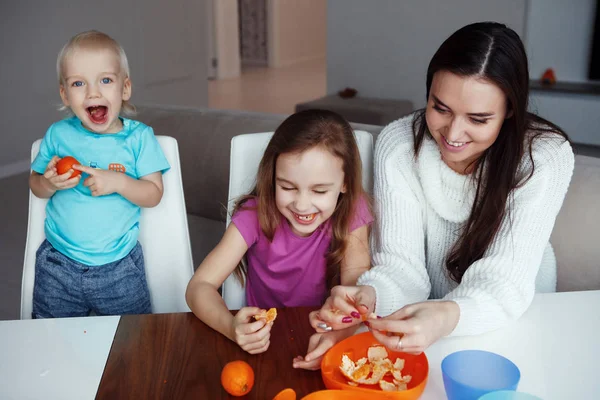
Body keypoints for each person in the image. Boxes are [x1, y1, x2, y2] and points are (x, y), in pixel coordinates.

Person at [312, 22, 574, 354]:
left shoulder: (544, 156)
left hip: (516, 320)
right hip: (430, 322)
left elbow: (505, 282)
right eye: (440, 109)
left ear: (509, 110)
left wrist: (447, 316)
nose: (453, 133)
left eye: (478, 119)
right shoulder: (400, 145)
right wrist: (370, 294)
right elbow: (401, 268)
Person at [185, 110, 373, 365]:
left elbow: (354, 291)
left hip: (326, 335)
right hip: (264, 342)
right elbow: (199, 287)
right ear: (272, 177)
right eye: (287, 187)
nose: (302, 205)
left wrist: (337, 333)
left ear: (345, 184)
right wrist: (232, 327)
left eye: (319, 190)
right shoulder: (254, 215)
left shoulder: (353, 210)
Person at [29, 30, 170, 318]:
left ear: (125, 88)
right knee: (51, 339)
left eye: (106, 80)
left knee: (133, 341)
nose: (93, 93)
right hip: (57, 264)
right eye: (79, 83)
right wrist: (48, 182)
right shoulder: (58, 134)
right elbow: (35, 186)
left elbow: (154, 193)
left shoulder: (139, 138)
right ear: (65, 94)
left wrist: (118, 182)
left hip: (119, 270)